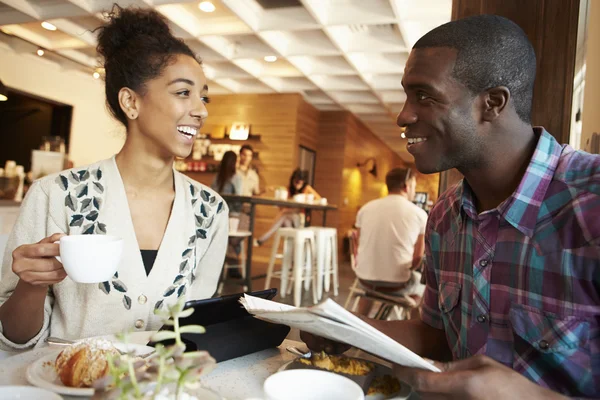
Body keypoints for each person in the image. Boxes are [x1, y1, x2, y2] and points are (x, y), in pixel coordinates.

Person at [303, 14, 600, 399]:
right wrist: (346, 327)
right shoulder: (444, 216)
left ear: (492, 103)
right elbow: (437, 335)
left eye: (423, 95)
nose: (403, 116)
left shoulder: (590, 199)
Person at [0, 6, 228, 350]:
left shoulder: (211, 211)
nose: (201, 110)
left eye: (204, 96)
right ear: (130, 102)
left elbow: (192, 334)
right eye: (184, 92)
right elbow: (14, 339)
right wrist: (30, 286)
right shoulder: (56, 195)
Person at [353, 167, 427, 316]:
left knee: (371, 287)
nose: (414, 190)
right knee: (422, 285)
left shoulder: (365, 209)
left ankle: (361, 320)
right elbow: (417, 259)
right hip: (396, 286)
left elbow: (359, 244)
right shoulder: (420, 214)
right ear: (406, 186)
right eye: (413, 186)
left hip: (363, 280)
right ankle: (411, 325)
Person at [255, 169, 320, 246]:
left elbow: (319, 199)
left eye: (300, 182)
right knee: (285, 218)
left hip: (301, 218)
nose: (297, 184)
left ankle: (264, 238)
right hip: (290, 218)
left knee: (284, 214)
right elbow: (282, 203)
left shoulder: (307, 189)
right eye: (296, 182)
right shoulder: (289, 190)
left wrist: (306, 199)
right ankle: (293, 247)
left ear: (303, 182)